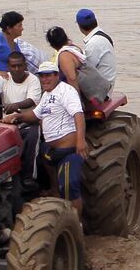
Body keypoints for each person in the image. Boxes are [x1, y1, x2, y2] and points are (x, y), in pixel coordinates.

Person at [10, 60, 87, 213]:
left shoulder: (66, 91)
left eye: (48, 76)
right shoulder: (46, 95)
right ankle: (53, 189)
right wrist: (17, 116)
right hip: (51, 150)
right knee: (41, 155)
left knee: (69, 185)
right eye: (41, 76)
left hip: (69, 150)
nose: (44, 79)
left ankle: (77, 222)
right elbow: (35, 114)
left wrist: (81, 141)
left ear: (56, 75)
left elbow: (78, 115)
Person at [0, 51, 43, 183]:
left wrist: (15, 106)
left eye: (19, 66)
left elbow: (31, 100)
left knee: (32, 140)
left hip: (28, 121)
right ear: (8, 67)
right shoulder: (3, 78)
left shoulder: (33, 80)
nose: (17, 69)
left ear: (25, 66)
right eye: (13, 66)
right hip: (7, 124)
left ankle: (29, 178)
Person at [0, 11, 27, 98]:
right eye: (19, 25)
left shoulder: (15, 45)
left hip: (3, 87)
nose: (22, 28)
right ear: (9, 28)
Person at [76, 9, 116, 100]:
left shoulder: (93, 43)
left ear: (79, 26)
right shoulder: (103, 36)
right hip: (107, 86)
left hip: (101, 91)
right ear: (95, 21)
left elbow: (87, 70)